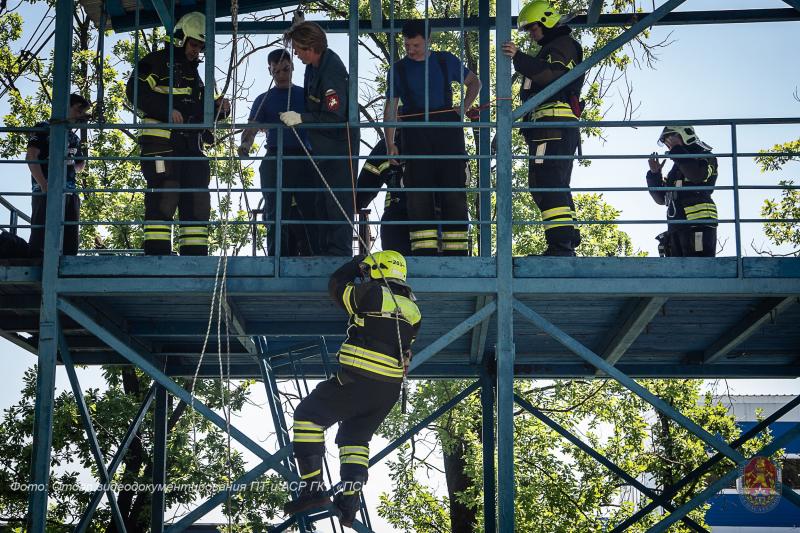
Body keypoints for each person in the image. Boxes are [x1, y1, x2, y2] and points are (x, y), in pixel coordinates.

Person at [284, 251, 421, 528]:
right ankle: (349, 502)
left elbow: (336, 286)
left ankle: (312, 488)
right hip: (387, 391)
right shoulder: (414, 310)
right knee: (354, 438)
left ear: (377, 271)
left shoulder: (370, 293)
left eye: (368, 272)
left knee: (308, 416)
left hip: (360, 379)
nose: (366, 276)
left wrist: (353, 265)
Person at [126, 11, 230, 256]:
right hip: (160, 145)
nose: (197, 51)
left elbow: (198, 110)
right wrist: (166, 109)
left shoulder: (195, 77)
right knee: (166, 192)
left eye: (201, 46)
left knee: (197, 197)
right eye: (194, 44)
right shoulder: (156, 62)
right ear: (181, 38)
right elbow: (135, 91)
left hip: (191, 148)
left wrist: (219, 109)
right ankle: (157, 254)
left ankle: (195, 256)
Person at [384, 20, 481, 256]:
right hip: (415, 136)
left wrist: (462, 108)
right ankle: (423, 252)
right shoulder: (398, 69)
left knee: (453, 193)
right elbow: (390, 107)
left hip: (448, 134)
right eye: (407, 45)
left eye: (415, 45)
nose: (410, 49)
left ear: (428, 41)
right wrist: (390, 144)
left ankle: (457, 254)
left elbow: (474, 83)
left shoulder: (444, 60)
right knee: (418, 194)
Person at [502, 0, 584, 256]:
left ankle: (561, 244)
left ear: (547, 21)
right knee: (551, 182)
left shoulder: (563, 46)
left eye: (533, 28)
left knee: (547, 182)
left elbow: (550, 77)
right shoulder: (554, 46)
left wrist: (518, 58)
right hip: (548, 128)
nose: (531, 34)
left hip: (553, 127)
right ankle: (566, 239)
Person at [281, 21, 359, 256]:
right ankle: (323, 251)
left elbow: (335, 116)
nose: (295, 53)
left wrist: (301, 118)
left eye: (297, 48)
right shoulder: (312, 67)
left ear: (310, 47)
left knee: (337, 203)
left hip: (338, 147)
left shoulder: (331, 70)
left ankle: (338, 254)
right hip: (323, 148)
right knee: (320, 203)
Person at [239, 48, 316, 256]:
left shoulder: (305, 95)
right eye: (276, 71)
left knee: (309, 209)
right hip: (275, 157)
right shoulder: (264, 99)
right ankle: (275, 258)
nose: (281, 75)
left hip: (304, 157)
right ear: (270, 71)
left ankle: (312, 255)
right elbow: (252, 127)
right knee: (274, 211)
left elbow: (320, 120)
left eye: (285, 69)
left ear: (292, 67)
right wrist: (245, 145)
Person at [26, 93, 92, 257]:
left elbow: (80, 164)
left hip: (69, 192)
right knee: (40, 238)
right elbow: (31, 156)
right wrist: (43, 184)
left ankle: (67, 267)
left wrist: (70, 163)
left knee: (70, 243)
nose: (81, 115)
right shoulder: (43, 127)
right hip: (45, 190)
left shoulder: (74, 137)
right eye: (78, 110)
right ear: (64, 107)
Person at [646, 126, 718, 257]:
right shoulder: (677, 163)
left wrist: (677, 151)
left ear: (685, 134)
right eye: (666, 141)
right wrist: (655, 175)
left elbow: (696, 175)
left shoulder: (704, 155)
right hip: (677, 225)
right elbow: (662, 199)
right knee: (678, 272)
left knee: (699, 268)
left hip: (699, 224)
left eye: (671, 138)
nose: (668, 143)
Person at [356, 138, 411, 256]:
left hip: (396, 220)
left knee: (394, 269)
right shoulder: (436, 141)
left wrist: (356, 203)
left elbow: (366, 183)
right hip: (430, 219)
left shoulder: (386, 145)